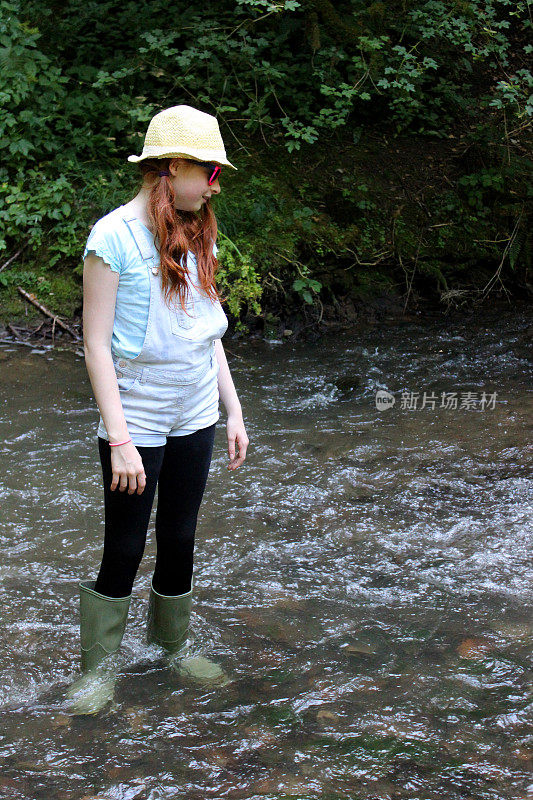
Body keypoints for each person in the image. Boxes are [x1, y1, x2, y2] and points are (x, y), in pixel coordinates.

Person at [66, 105, 249, 715]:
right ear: (174, 167)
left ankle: (172, 645)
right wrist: (119, 438)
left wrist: (234, 409)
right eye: (209, 172)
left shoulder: (200, 231)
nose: (215, 183)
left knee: (179, 536)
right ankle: (98, 671)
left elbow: (206, 331)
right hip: (135, 416)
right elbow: (93, 342)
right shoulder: (111, 238)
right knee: (124, 543)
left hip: (195, 408)